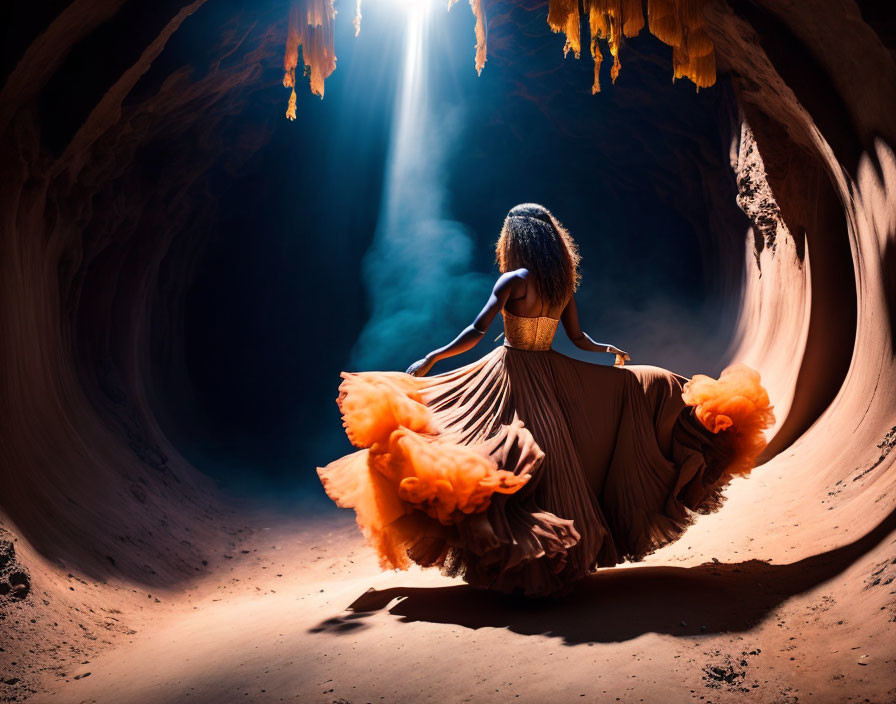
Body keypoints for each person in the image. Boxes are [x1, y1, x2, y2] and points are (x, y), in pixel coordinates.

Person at [317, 203, 774, 597]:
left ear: (514, 241)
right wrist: (607, 351)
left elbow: (476, 331)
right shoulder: (561, 283)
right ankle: (553, 558)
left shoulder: (513, 279)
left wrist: (433, 356)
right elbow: (577, 337)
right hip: (553, 370)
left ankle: (531, 559)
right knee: (558, 454)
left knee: (483, 446)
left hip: (513, 371)